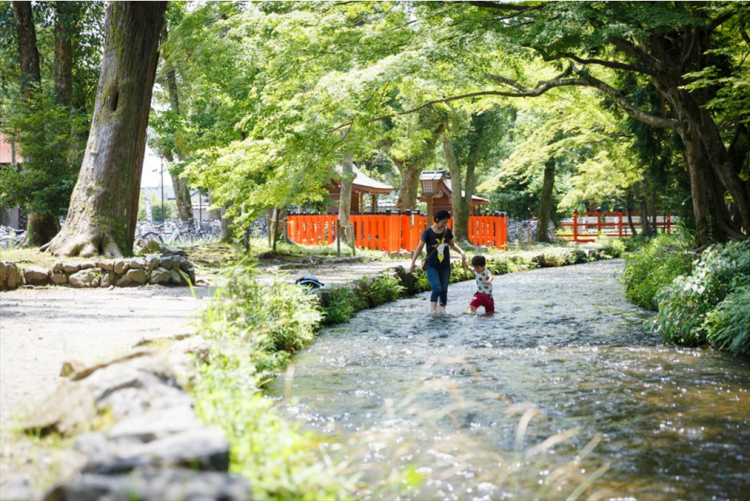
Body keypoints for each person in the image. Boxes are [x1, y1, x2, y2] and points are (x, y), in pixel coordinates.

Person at [410, 209, 467, 317]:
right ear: (436, 220)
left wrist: (461, 252)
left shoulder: (447, 231)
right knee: (437, 288)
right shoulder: (428, 232)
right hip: (432, 266)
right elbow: (420, 247)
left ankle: (442, 311)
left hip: (445, 266)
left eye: (446, 222)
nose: (445, 224)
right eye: (443, 222)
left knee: (444, 290)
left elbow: (452, 245)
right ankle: (433, 312)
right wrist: (413, 262)